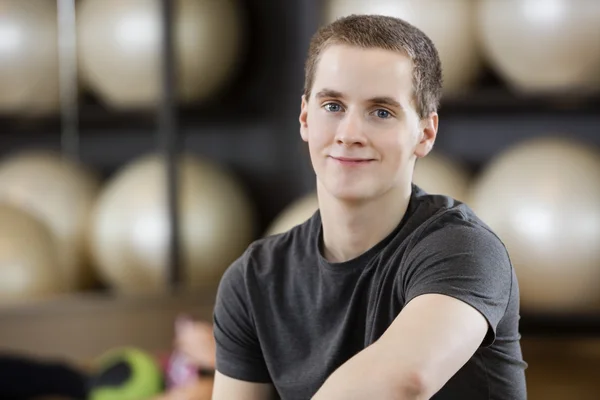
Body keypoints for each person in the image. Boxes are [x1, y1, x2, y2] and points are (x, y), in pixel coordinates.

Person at [211, 13, 527, 400]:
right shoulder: (252, 280)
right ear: (305, 116)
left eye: (381, 112)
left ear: (425, 133)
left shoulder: (465, 249)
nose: (349, 134)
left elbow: (404, 380)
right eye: (332, 106)